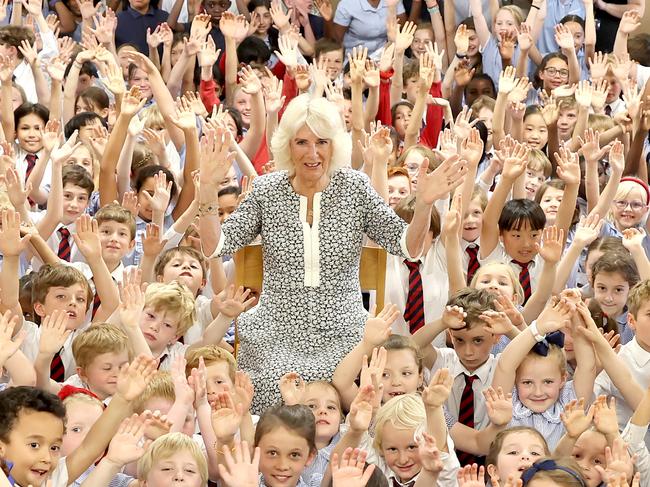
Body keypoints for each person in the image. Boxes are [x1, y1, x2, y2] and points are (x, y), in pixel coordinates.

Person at [197, 94, 467, 412]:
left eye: (322, 142)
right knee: (271, 392)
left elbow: (406, 245)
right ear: (287, 145)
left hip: (345, 331)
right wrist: (207, 188)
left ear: (335, 145)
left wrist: (424, 204)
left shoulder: (355, 187)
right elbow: (215, 246)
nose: (313, 153)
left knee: (343, 390)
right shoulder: (265, 190)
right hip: (276, 331)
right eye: (302, 142)